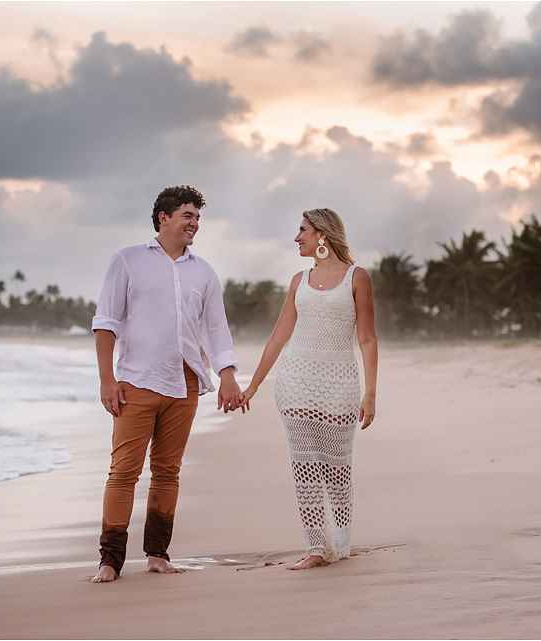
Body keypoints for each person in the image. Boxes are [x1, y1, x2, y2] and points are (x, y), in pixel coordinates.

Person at [90, 185, 244, 583]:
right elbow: (106, 322)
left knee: (168, 471)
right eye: (188, 216)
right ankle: (110, 560)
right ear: (164, 217)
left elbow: (215, 329)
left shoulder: (203, 271)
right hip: (136, 382)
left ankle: (157, 553)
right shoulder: (127, 261)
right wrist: (108, 379)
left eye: (197, 217)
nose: (194, 224)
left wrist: (227, 375)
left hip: (186, 384)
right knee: (124, 471)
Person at [240, 208, 377, 570]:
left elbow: (367, 338)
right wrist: (253, 385)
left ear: (322, 235)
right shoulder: (299, 280)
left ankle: (341, 543)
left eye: (302, 231)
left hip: (339, 384)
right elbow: (278, 336)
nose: (297, 238)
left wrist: (371, 392)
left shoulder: (356, 277)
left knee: (336, 469)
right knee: (304, 466)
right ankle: (317, 548)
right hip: (294, 381)